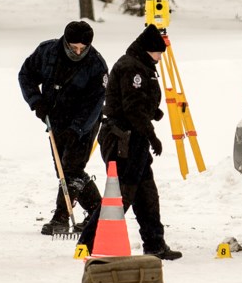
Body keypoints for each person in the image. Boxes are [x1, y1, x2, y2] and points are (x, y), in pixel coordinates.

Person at [77, 24, 182, 260]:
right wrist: (152, 134)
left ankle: (155, 243)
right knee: (121, 196)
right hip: (123, 139)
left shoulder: (142, 65)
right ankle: (87, 242)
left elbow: (137, 102)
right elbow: (131, 108)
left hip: (135, 138)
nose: (159, 57)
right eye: (158, 53)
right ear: (148, 49)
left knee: (146, 193)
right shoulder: (131, 67)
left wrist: (152, 113)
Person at [19, 20, 108, 235]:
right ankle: (99, 213)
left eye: (82, 49)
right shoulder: (47, 52)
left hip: (84, 124)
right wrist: (36, 102)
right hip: (55, 119)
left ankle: (61, 217)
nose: (78, 52)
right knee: (63, 168)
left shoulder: (96, 65)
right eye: (73, 47)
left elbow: (94, 104)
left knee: (71, 168)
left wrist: (76, 130)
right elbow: (26, 75)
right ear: (65, 42)